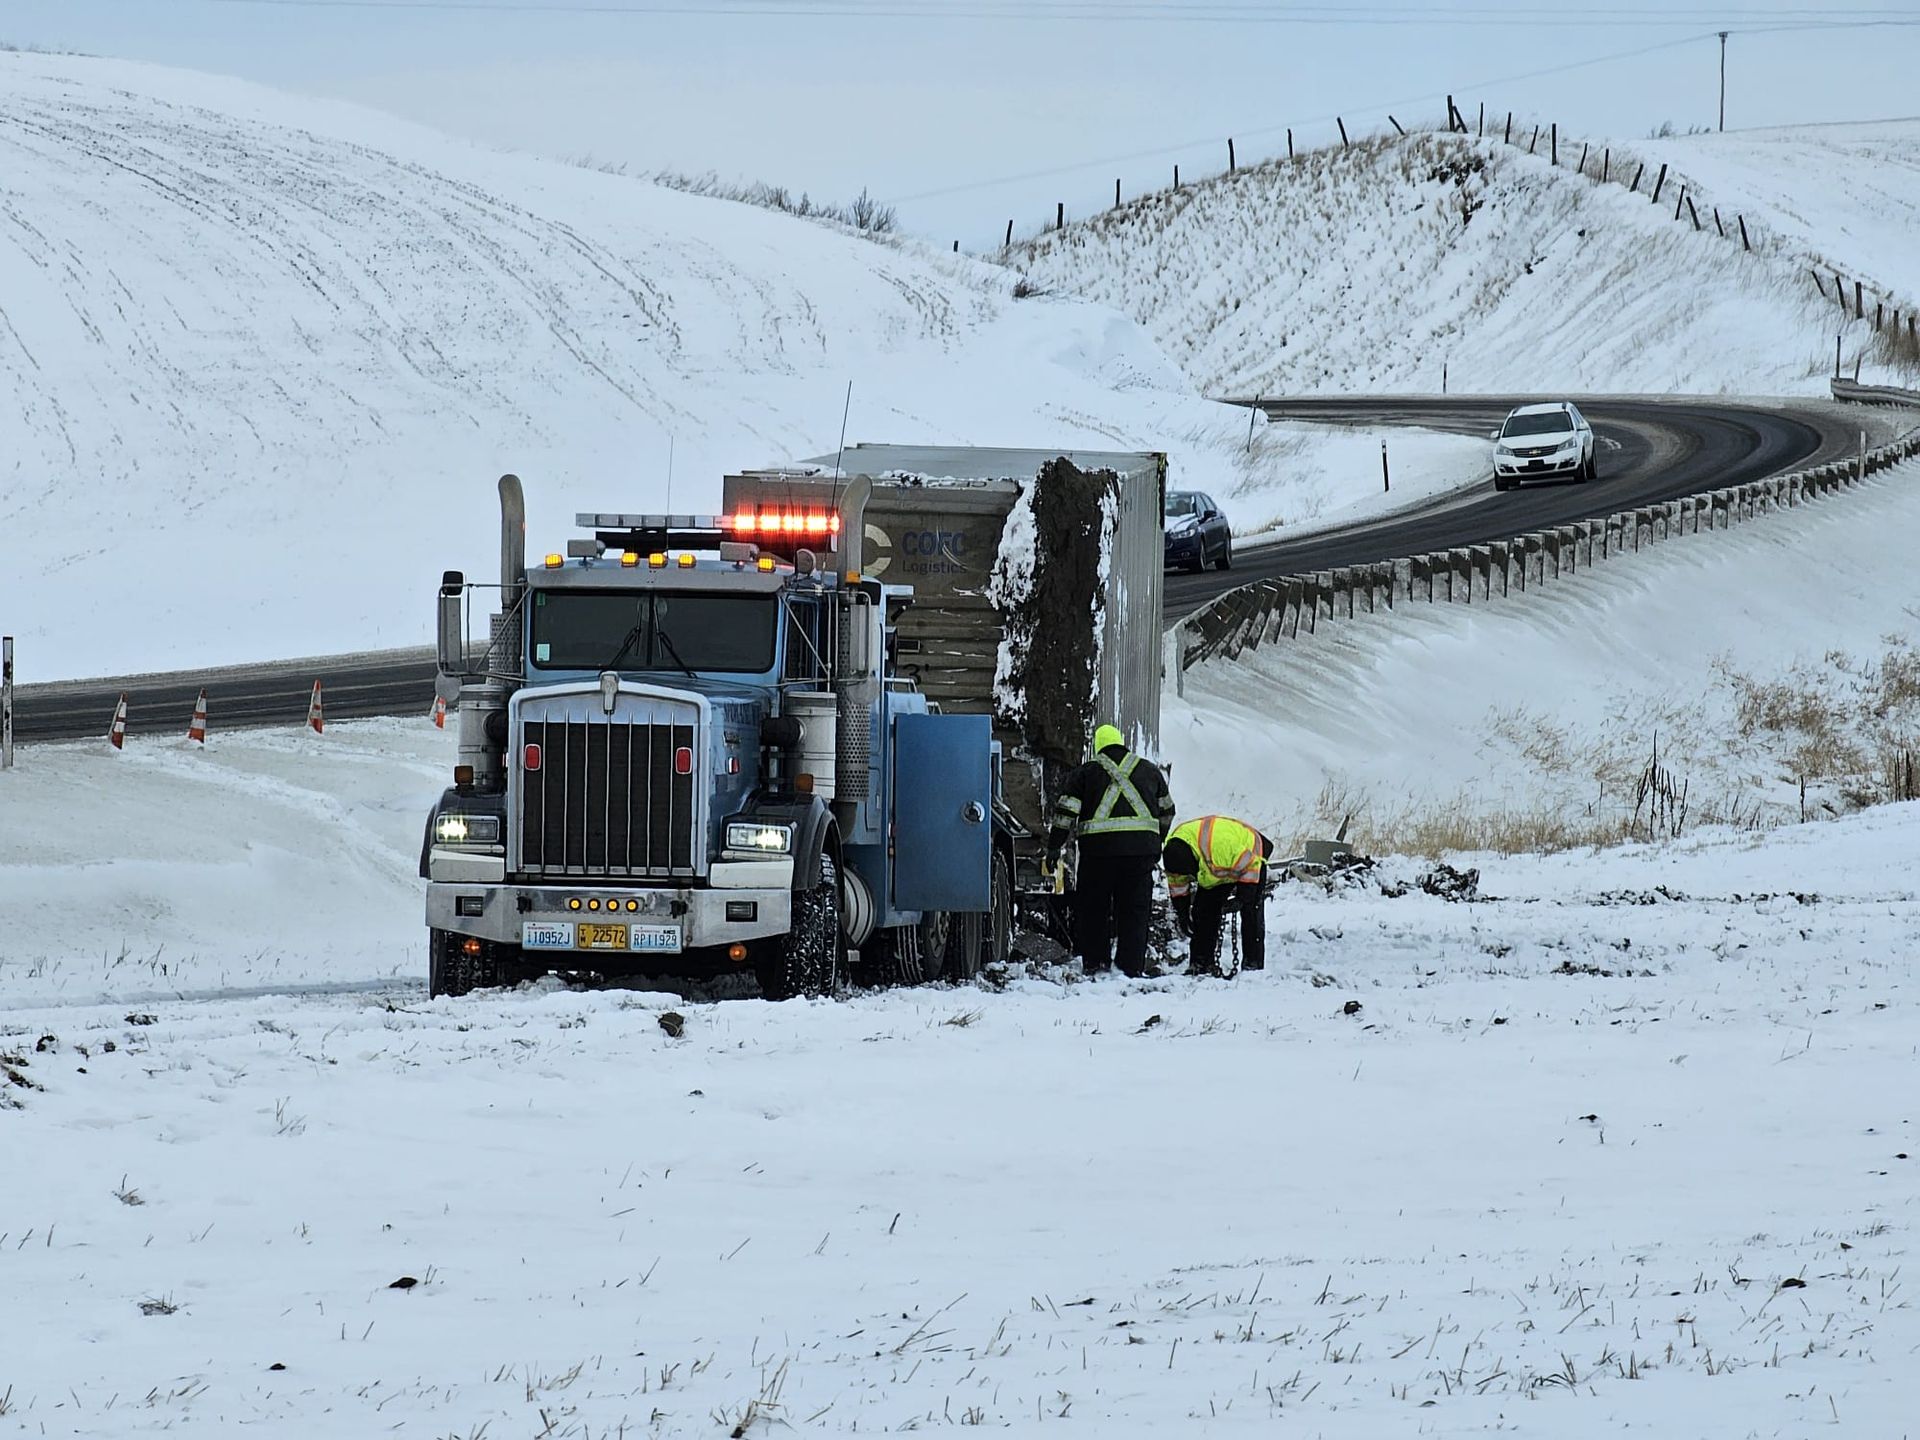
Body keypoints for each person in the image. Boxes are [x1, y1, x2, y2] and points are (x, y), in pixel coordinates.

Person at [1046, 723, 1176, 977]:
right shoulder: (1150, 771)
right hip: (1140, 856)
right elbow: (1168, 811)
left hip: (1098, 855)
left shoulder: (1085, 774)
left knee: (1094, 910)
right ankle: (1131, 968)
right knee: (1135, 912)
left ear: (1098, 746)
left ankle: (1096, 965)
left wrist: (1054, 847)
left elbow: (1065, 814)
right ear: (1121, 742)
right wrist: (1156, 841)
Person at [1162, 815, 1275, 976]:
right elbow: (1178, 887)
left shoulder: (1222, 849)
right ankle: (1201, 963)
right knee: (1203, 911)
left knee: (1251, 910)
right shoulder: (1174, 857)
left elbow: (1251, 865)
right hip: (1215, 866)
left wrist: (1242, 898)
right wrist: (1183, 914)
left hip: (1252, 854)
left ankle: (1253, 964)